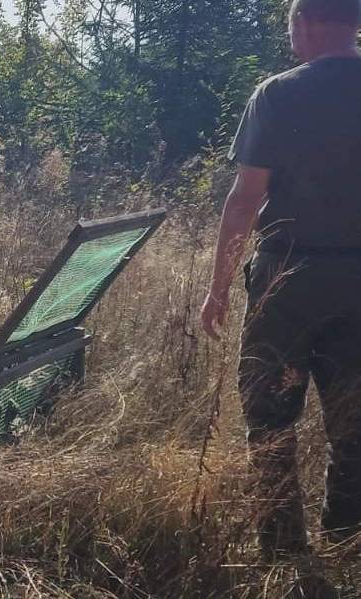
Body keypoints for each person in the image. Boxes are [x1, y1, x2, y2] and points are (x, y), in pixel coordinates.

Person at [201, 0, 361, 558]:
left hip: (287, 281)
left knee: (269, 420)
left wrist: (218, 288)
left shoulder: (279, 93)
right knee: (355, 424)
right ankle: (347, 542)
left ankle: (283, 553)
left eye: (292, 21)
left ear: (310, 23)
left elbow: (245, 201)